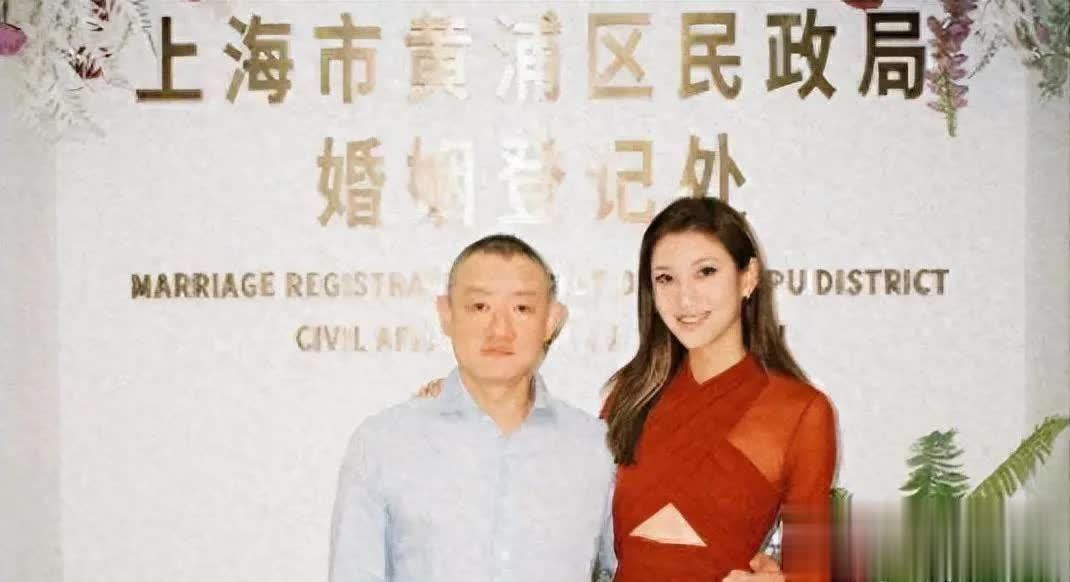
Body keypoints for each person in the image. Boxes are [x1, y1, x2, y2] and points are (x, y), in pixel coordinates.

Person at [327, 234, 617, 582]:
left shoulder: (596, 447)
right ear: (446, 314)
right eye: (480, 307)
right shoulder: (383, 443)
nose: (500, 329)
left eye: (522, 309)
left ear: (551, 320)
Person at [602, 196, 837, 582]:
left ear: (748, 277)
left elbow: (812, 571)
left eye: (706, 272)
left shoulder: (800, 410)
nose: (685, 299)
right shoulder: (629, 397)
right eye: (666, 278)